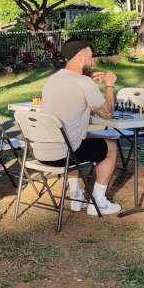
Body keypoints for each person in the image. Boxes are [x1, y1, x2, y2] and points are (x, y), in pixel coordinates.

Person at [32, 38, 122, 216]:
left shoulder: (51, 80)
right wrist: (109, 85)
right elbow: (107, 114)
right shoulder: (83, 83)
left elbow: (73, 98)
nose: (92, 61)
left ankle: (75, 197)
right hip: (64, 155)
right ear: (80, 56)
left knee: (74, 141)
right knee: (111, 146)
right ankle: (98, 202)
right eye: (90, 57)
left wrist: (88, 80)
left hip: (41, 153)